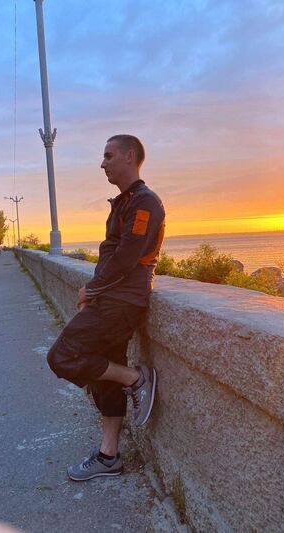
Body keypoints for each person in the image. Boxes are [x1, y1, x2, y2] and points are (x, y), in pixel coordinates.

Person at [47, 134, 165, 481]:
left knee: (62, 357)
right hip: (111, 299)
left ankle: (136, 378)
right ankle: (108, 456)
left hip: (121, 302)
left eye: (108, 156)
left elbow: (127, 257)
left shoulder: (145, 202)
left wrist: (91, 289)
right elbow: (114, 256)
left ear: (129, 156)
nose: (102, 163)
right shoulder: (125, 202)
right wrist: (95, 292)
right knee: (104, 378)